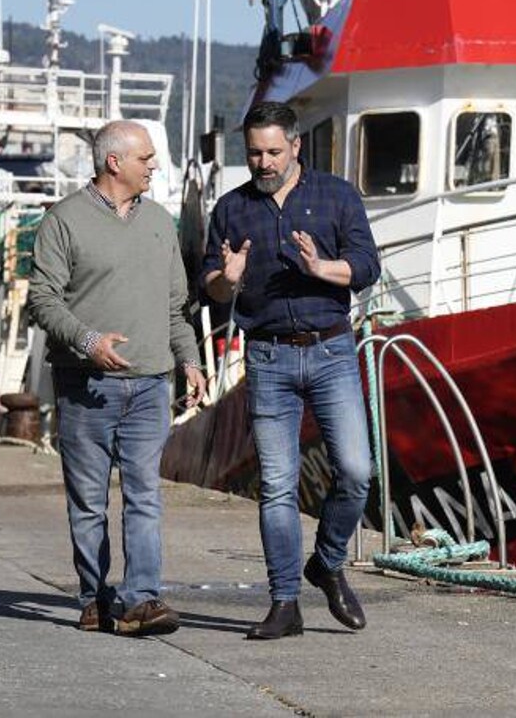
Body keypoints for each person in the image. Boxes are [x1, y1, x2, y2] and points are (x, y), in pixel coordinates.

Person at [202, 101, 379, 640]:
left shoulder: (337, 195)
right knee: (277, 485)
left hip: (330, 350)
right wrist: (226, 281)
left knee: (356, 471)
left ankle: (326, 562)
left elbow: (368, 265)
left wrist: (323, 269)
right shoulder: (231, 209)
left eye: (273, 151)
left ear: (296, 146)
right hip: (267, 356)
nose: (263, 162)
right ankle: (285, 604)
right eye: (254, 152)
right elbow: (209, 284)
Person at [28, 120, 206, 636]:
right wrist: (89, 342)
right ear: (114, 163)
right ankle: (94, 597)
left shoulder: (159, 222)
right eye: (146, 158)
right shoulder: (63, 221)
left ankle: (140, 600)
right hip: (86, 385)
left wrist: (190, 362)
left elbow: (176, 308)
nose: (153, 165)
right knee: (87, 498)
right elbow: (43, 298)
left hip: (151, 384)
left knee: (144, 493)